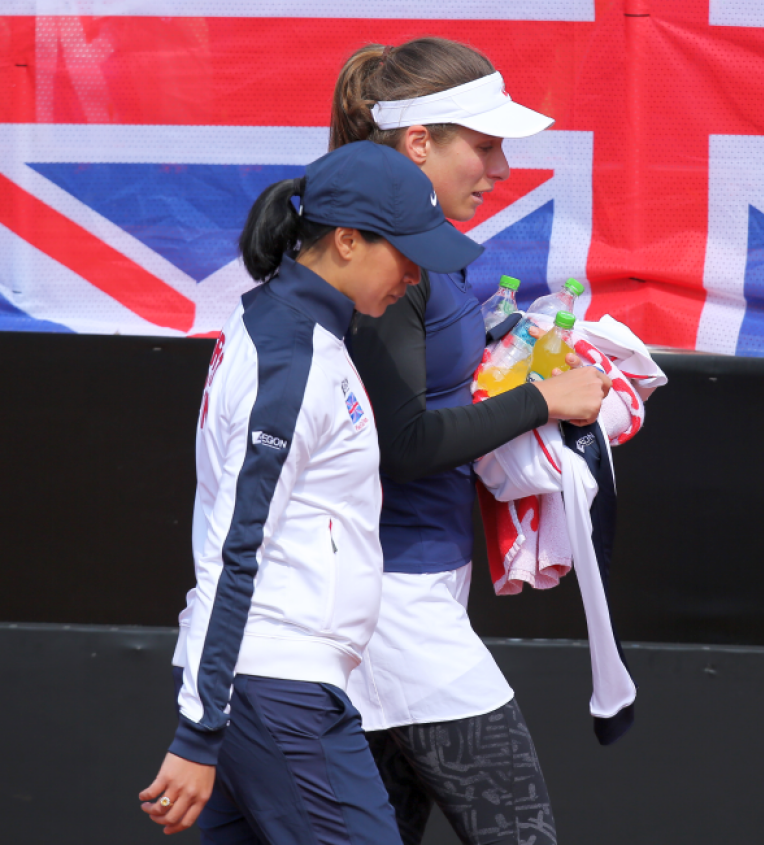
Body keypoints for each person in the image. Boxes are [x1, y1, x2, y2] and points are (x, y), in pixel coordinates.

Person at [139, 140, 484, 843]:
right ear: (347, 241)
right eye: (406, 253)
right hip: (274, 685)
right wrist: (200, 730)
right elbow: (236, 545)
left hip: (270, 681)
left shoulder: (291, 327)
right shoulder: (291, 355)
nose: (416, 274)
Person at [329, 38, 610, 845]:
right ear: (419, 143)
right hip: (390, 597)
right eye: (484, 147)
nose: (502, 169)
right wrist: (541, 398)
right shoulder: (385, 257)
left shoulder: (429, 249)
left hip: (412, 581)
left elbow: (420, 390)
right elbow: (402, 441)